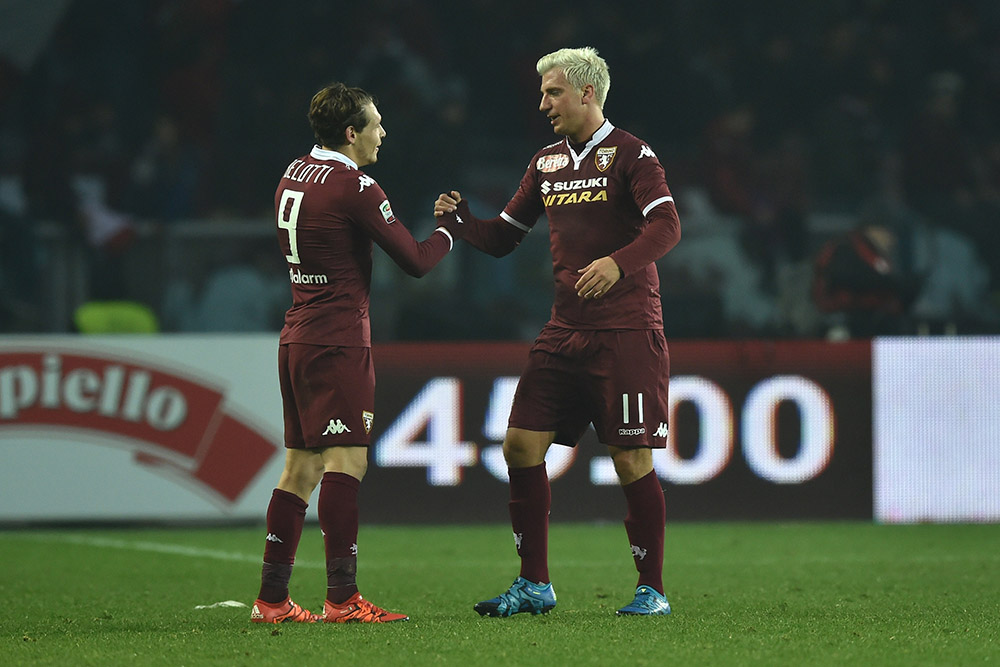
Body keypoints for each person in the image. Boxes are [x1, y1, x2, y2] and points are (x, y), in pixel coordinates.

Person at [435, 47, 681, 616]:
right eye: (543, 93)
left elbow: (667, 225)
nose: (543, 104)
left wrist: (618, 263)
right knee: (519, 445)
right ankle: (534, 584)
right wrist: (462, 225)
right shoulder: (545, 163)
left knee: (630, 458)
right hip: (565, 330)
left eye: (553, 92)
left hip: (625, 329)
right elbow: (504, 237)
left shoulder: (632, 154)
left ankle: (652, 590)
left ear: (587, 93)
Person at [250, 82, 466, 624]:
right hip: (337, 339)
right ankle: (343, 599)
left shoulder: (293, 172)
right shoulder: (356, 187)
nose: (383, 133)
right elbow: (416, 261)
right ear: (351, 133)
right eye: (375, 123)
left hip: (297, 335)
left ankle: (271, 601)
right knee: (347, 461)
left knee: (299, 467)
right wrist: (449, 231)